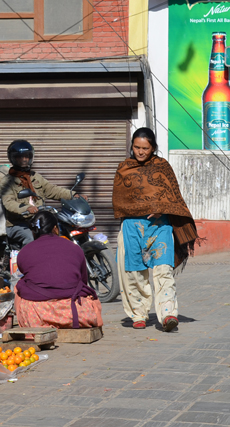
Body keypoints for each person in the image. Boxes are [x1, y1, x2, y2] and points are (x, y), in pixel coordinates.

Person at [112, 127, 198, 332]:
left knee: (163, 270)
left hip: (160, 227)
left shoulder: (163, 167)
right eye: (137, 147)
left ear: (153, 148)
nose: (140, 152)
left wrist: (162, 209)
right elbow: (119, 200)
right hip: (132, 227)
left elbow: (173, 197)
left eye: (145, 148)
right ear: (131, 146)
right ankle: (139, 314)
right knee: (133, 273)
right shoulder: (124, 168)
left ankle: (168, 314)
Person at [14, 210, 103, 329]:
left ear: (34, 231)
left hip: (37, 315)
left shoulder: (24, 252)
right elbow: (83, 281)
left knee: (19, 286)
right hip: (76, 314)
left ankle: (34, 325)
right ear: (55, 228)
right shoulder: (74, 248)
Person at [0, 140, 79, 248]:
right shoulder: (7, 181)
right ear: (13, 158)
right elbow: (8, 202)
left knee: (60, 232)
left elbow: (52, 190)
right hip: (18, 224)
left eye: (27, 156)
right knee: (31, 239)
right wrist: (26, 208)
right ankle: (28, 264)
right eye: (20, 157)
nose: (24, 160)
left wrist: (73, 195)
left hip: (38, 220)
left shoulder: (35, 177)